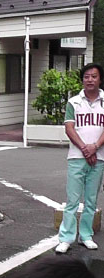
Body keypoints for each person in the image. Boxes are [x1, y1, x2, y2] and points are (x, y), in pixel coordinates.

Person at [55, 63, 104, 254]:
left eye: (93, 76)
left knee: (91, 200)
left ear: (100, 79)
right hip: (77, 157)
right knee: (72, 200)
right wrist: (85, 149)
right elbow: (69, 128)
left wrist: (95, 148)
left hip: (99, 158)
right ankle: (66, 238)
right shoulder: (73, 102)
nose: (90, 80)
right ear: (82, 80)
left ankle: (85, 236)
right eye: (86, 77)